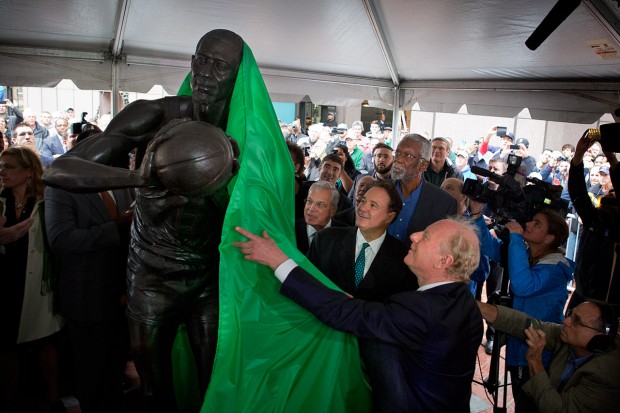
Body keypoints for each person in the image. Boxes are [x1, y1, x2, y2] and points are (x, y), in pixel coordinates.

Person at [43, 29, 244, 411]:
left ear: (237, 74)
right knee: (153, 389)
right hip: (151, 274)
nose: (204, 72)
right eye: (200, 59)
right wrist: (138, 178)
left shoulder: (248, 129)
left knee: (213, 385)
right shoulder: (156, 113)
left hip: (209, 275)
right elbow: (59, 171)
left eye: (219, 66)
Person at [233, 217, 483, 413]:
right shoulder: (463, 301)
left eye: (425, 236)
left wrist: (278, 260)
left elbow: (343, 313)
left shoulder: (421, 310)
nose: (414, 235)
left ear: (444, 261)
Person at [469, 200, 574, 412]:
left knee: (528, 403)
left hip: (539, 350)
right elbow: (490, 247)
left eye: (537, 224)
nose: (529, 224)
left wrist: (516, 238)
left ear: (550, 238)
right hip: (520, 344)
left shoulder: (556, 267)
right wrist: (477, 214)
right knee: (520, 399)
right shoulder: (528, 256)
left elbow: (523, 285)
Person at [44, 175, 134, 411]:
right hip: (86, 296)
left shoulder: (122, 183)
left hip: (125, 294)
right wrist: (115, 228)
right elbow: (61, 240)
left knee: (116, 367)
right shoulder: (61, 188)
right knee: (91, 372)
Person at [0, 146, 65, 413]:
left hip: (37, 281)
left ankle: (53, 397)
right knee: (6, 345)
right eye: (1, 167)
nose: (2, 172)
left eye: (9, 167)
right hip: (4, 281)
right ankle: (9, 400)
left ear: (28, 172)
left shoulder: (45, 201)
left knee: (43, 342)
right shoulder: (0, 199)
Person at [477, 300, 620, 413]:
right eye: (570, 314)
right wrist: (479, 306)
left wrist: (535, 362)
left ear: (599, 339)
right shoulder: (567, 338)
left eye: (576, 321)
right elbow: (527, 324)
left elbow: (560, 410)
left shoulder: (607, 376)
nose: (566, 321)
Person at [567, 131, 620, 309]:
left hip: (610, 303)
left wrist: (611, 158)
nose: (609, 194)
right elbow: (578, 193)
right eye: (608, 192)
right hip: (584, 294)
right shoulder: (595, 219)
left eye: (614, 193)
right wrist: (578, 156)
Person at [388, 133, 457, 246]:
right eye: (398, 153)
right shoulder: (380, 191)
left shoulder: (444, 204)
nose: (398, 159)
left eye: (408, 156)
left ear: (423, 165)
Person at [295, 181, 345, 254]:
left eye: (319, 204)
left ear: (332, 210)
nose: (311, 208)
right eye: (309, 201)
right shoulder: (291, 229)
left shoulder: (344, 235)